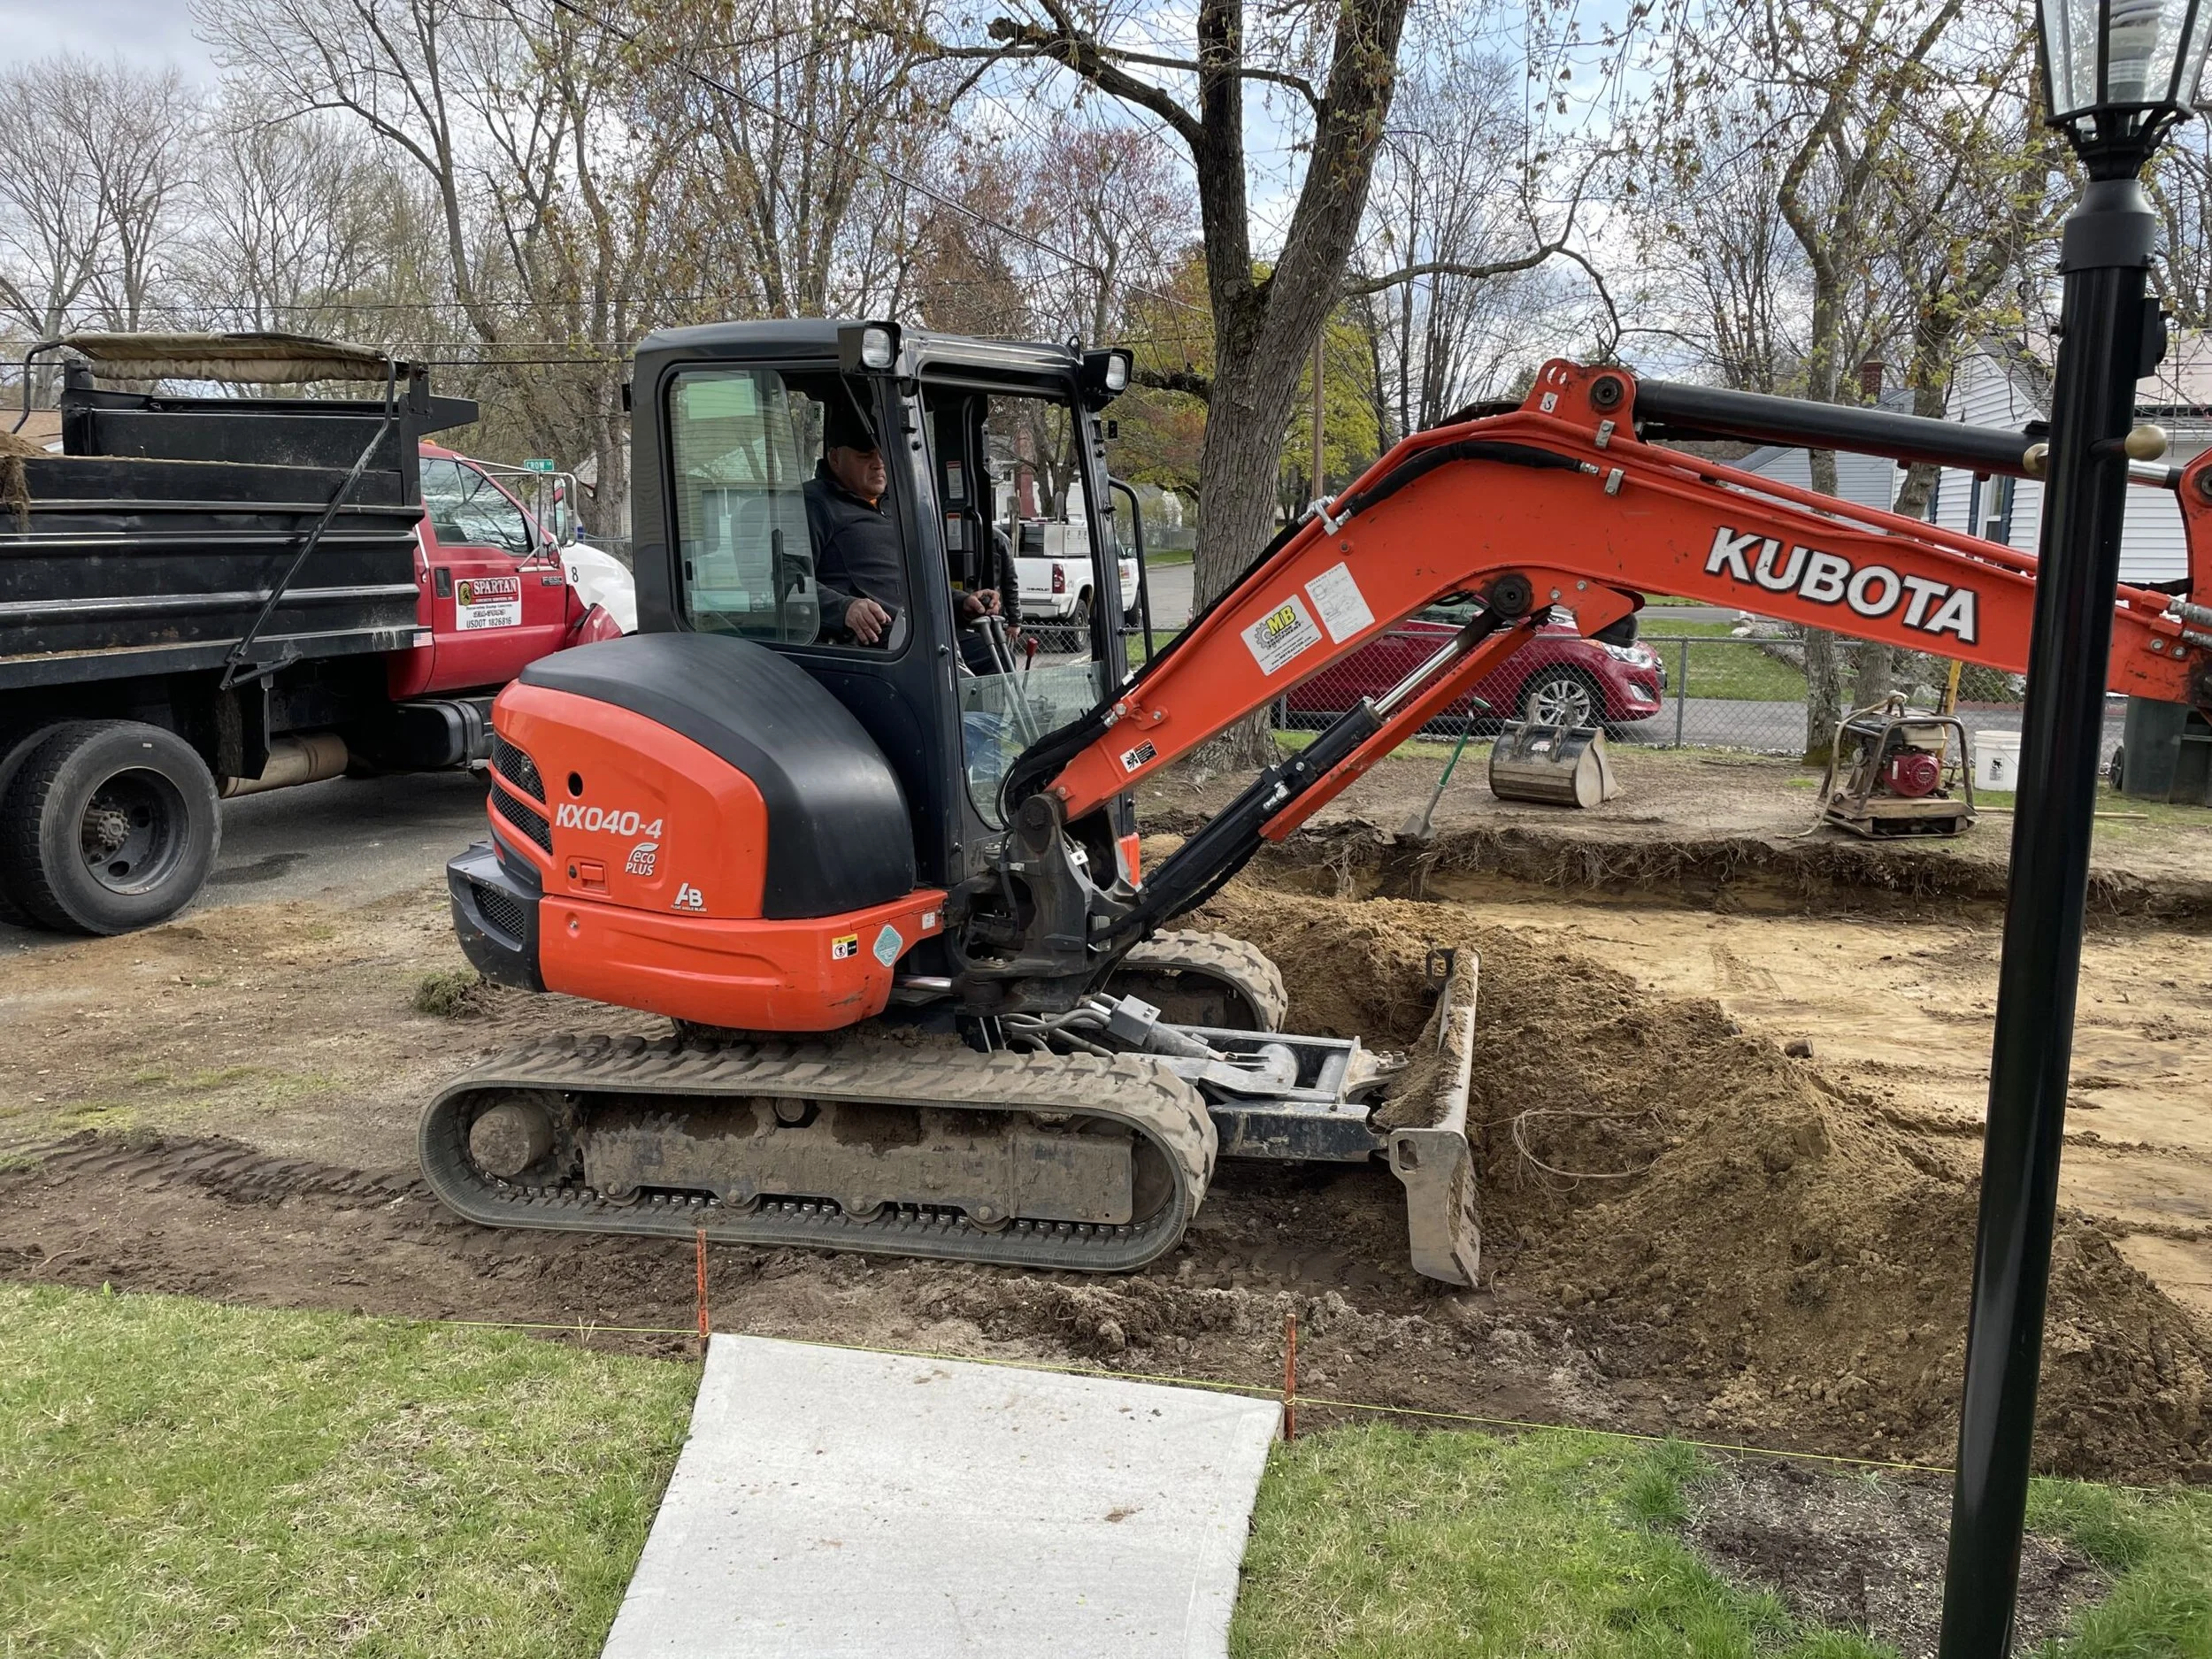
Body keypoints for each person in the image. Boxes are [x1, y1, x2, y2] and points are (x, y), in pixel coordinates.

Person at [805, 390, 1005, 645]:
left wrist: (961, 602)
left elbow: (911, 585)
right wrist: (844, 608)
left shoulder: (897, 506)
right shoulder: (814, 504)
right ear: (835, 458)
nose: (878, 464)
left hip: (918, 633)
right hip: (874, 640)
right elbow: (786, 583)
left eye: (883, 454)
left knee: (993, 650)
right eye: (865, 456)